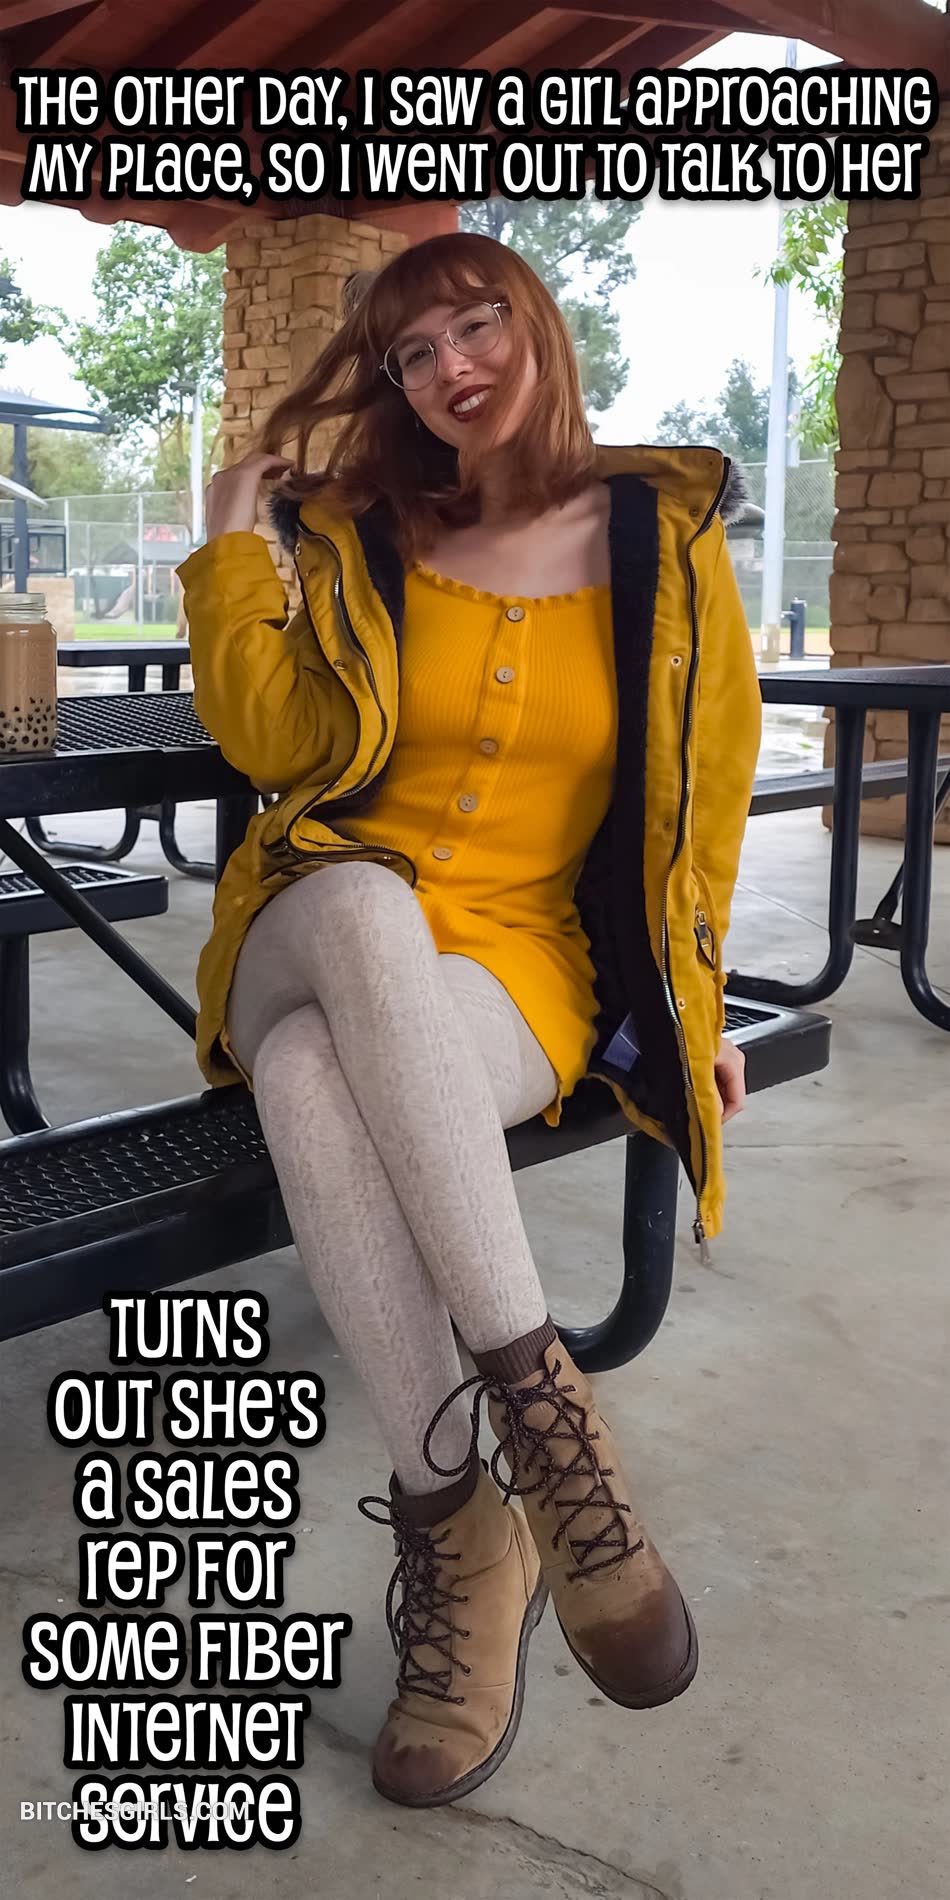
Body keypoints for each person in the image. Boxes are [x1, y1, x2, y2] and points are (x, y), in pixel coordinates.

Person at [175, 231, 761, 1811]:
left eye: (473, 325)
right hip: (313, 918)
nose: (450, 370)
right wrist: (229, 550)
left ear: (537, 324)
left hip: (517, 967)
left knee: (316, 1083)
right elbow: (277, 742)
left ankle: (458, 1528)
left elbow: (702, 802)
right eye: (413, 355)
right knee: (361, 915)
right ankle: (553, 1432)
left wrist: (693, 1007)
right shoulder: (371, 535)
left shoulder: (656, 541)